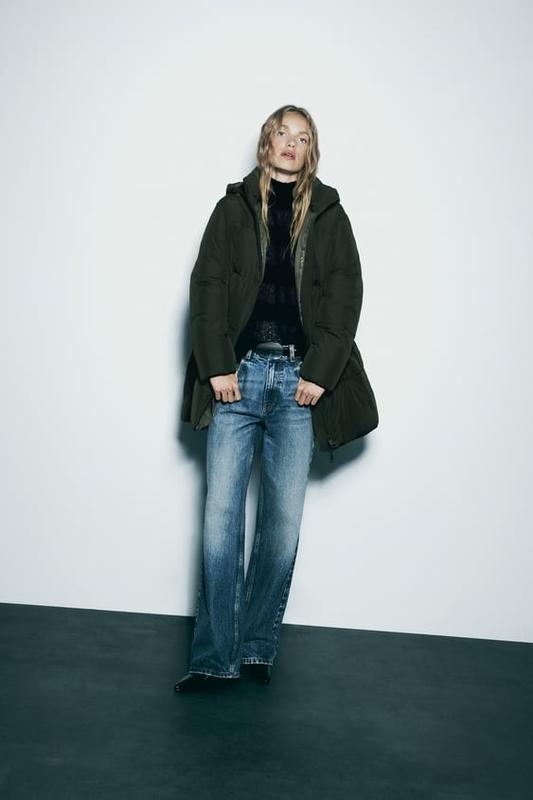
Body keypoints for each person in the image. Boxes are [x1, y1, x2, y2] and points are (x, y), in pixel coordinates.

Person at [175, 104, 378, 692]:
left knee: (282, 524)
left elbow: (346, 296)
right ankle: (214, 659)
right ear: (267, 143)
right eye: (283, 134)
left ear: (311, 151)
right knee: (220, 521)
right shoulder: (232, 209)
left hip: (298, 383)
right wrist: (217, 365)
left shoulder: (330, 214)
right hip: (236, 377)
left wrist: (320, 371)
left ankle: (257, 648)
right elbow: (207, 288)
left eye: (302, 137)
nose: (291, 143)